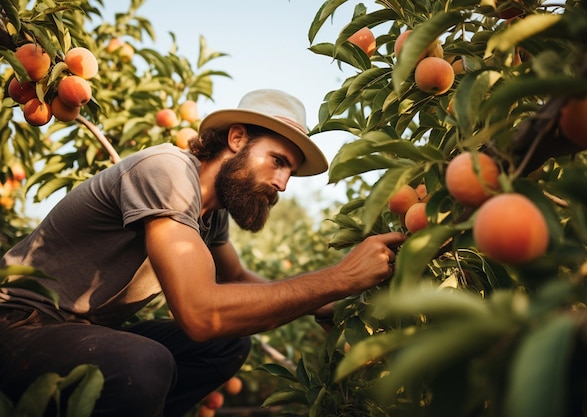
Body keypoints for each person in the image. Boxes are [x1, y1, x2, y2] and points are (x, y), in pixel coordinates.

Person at [0, 89, 406, 417]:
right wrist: (338, 277)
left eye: (290, 172)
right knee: (144, 363)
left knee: (229, 346)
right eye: (277, 161)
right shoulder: (168, 170)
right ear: (237, 139)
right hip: (18, 323)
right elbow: (199, 314)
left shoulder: (210, 216)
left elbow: (238, 281)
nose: (283, 184)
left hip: (78, 332)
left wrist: (324, 302)